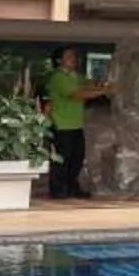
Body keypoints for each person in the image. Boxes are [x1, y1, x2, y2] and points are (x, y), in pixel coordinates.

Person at [43, 49, 111, 201]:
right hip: (61, 124)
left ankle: (71, 187)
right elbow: (77, 95)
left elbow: (88, 85)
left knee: (76, 159)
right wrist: (103, 90)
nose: (74, 59)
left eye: (74, 56)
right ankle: (59, 190)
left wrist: (100, 85)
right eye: (69, 56)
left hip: (76, 125)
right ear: (59, 60)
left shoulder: (76, 77)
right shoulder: (58, 78)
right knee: (62, 160)